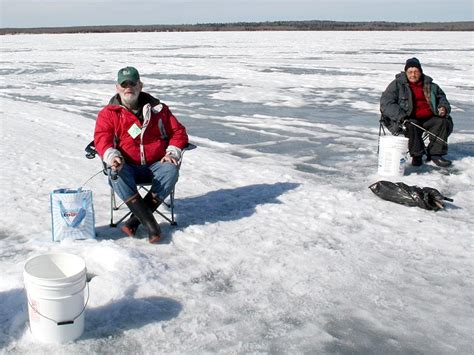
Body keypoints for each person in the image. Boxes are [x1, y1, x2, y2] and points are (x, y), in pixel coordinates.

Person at [94, 66, 189, 243]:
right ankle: (151, 225)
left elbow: (179, 133)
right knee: (116, 173)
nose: (128, 87)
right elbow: (101, 139)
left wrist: (172, 152)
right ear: (117, 87)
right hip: (127, 165)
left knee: (170, 170)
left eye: (133, 83)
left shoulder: (159, 110)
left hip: (156, 163)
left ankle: (135, 221)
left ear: (140, 85)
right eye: (124, 84)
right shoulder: (108, 114)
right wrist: (113, 156)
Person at [380, 57, 453, 167]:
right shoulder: (397, 85)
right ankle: (417, 155)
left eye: (416, 72)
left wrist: (443, 107)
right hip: (408, 118)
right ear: (406, 72)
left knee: (442, 121)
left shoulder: (430, 85)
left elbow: (442, 98)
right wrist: (401, 117)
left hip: (429, 117)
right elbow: (386, 103)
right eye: (410, 72)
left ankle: (436, 154)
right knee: (411, 125)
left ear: (420, 72)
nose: (413, 75)